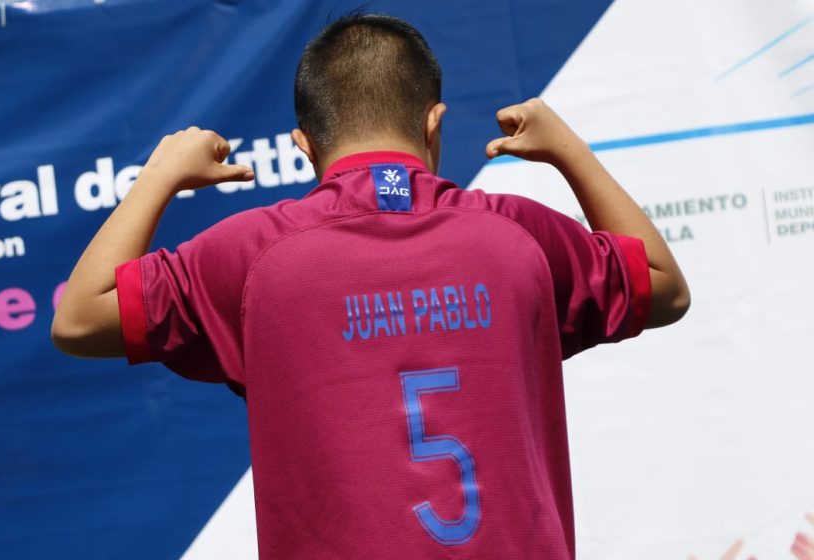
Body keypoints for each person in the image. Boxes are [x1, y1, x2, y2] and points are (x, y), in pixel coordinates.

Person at [52, 13, 690, 559]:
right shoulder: (517, 234)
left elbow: (78, 319)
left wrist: (159, 174)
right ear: (434, 124)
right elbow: (664, 286)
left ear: (304, 146)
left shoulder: (253, 256)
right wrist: (570, 151)